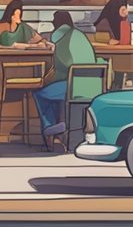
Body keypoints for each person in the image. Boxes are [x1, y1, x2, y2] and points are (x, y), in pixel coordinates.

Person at [33, 11, 98, 143]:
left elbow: (64, 66)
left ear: (59, 23)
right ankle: (60, 127)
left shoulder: (61, 38)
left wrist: (46, 80)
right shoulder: (79, 35)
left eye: (54, 19)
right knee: (54, 91)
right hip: (94, 86)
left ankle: (50, 126)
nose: (52, 22)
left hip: (75, 87)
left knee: (41, 93)